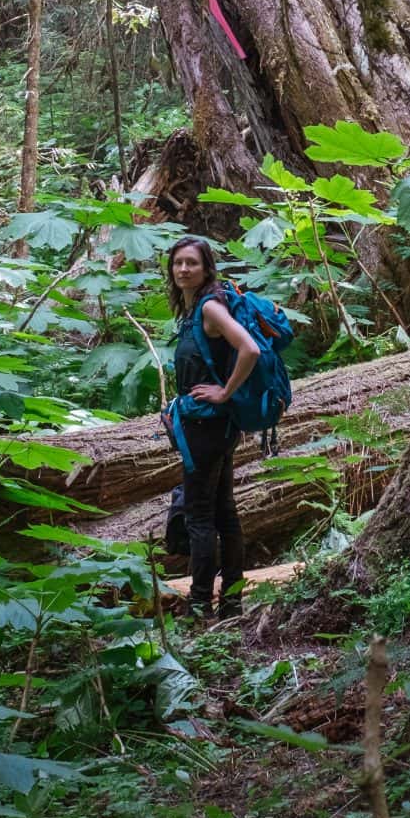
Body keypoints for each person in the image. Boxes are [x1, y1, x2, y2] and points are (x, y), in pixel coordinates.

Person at [166, 237, 260, 619]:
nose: (184, 269)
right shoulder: (193, 311)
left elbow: (249, 348)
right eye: (178, 263)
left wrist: (224, 392)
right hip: (212, 428)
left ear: (206, 269)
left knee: (199, 516)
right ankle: (232, 601)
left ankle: (201, 602)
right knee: (223, 512)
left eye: (192, 263)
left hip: (207, 427)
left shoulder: (210, 308)